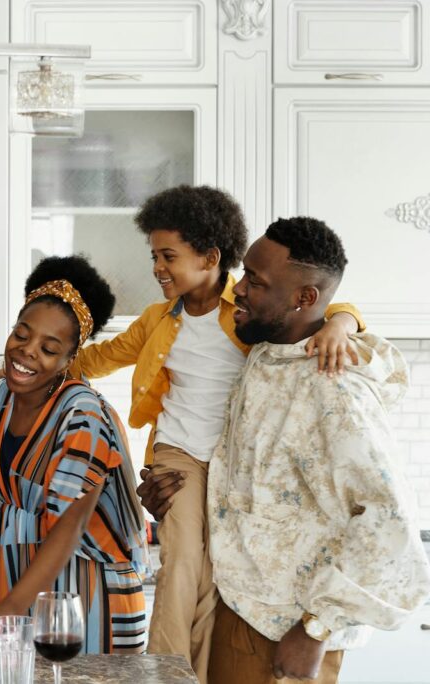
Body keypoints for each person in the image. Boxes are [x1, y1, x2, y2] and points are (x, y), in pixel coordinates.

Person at [67, 186, 362, 681]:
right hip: (177, 454)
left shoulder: (248, 310)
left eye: (169, 256)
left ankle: (195, 673)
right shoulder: (158, 319)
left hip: (232, 462)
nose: (158, 267)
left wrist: (343, 323)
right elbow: (98, 359)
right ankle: (163, 671)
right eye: (154, 256)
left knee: (215, 576)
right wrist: (41, 363)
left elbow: (321, 301)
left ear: (210, 257)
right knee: (181, 564)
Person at [143, 218, 430, 683]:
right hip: (240, 610)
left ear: (304, 298)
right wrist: (173, 502)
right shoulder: (268, 352)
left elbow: (392, 524)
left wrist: (316, 629)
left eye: (255, 282)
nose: (237, 291)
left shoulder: (332, 391)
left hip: (283, 633)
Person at [0, 255, 148, 654]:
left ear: (68, 359)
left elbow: (68, 528)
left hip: (87, 596)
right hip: (18, 578)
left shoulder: (84, 415)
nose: (26, 352)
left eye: (48, 347)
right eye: (21, 335)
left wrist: (6, 613)